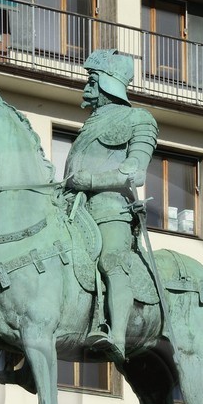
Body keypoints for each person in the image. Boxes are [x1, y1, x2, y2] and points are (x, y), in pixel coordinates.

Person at [62, 48, 159, 359]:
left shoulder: (139, 119)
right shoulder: (90, 123)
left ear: (108, 83)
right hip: (71, 208)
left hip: (110, 208)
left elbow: (135, 172)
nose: (86, 87)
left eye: (92, 80)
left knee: (112, 259)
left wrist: (89, 181)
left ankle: (116, 334)